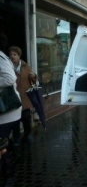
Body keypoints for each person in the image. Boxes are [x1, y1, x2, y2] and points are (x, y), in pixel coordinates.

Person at [0, 33, 22, 185]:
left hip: (7, 110)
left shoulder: (1, 58)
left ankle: (9, 176)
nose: (13, 56)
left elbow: (9, 78)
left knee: (1, 144)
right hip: (8, 111)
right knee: (2, 143)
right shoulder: (3, 57)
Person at [9, 46, 37, 144]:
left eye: (15, 54)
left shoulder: (26, 66)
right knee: (15, 120)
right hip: (13, 98)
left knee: (26, 118)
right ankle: (16, 137)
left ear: (19, 56)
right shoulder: (7, 67)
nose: (12, 56)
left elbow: (33, 80)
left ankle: (27, 134)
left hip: (25, 97)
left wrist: (34, 77)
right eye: (11, 55)